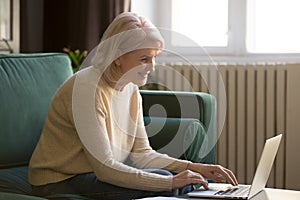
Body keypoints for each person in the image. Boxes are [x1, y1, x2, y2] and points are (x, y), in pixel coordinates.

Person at [28, 12, 238, 200]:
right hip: (58, 181)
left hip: (92, 174)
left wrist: (193, 167)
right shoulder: (86, 88)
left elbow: (142, 154)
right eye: (144, 58)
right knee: (169, 182)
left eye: (154, 58)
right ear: (118, 56)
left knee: (178, 180)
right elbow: (105, 169)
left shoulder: (130, 89)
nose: (152, 67)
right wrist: (171, 181)